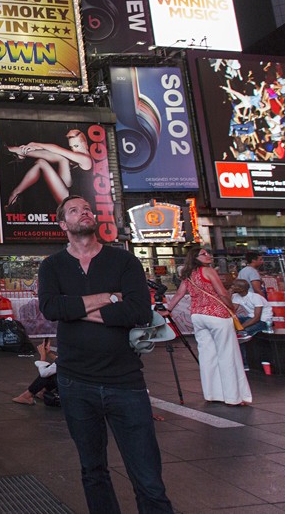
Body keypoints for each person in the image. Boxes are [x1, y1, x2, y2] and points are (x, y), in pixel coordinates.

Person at [38, 196, 173, 514]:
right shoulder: (52, 266)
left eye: (87, 208)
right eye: (74, 210)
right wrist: (109, 298)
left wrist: (76, 308)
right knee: (93, 471)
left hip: (125, 381)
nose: (84, 212)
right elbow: (52, 308)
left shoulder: (124, 261)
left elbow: (138, 312)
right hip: (75, 382)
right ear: (63, 225)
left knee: (148, 478)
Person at [163, 247, 251, 405]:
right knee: (227, 354)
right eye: (203, 254)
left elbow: (179, 294)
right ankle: (233, 397)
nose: (208, 255)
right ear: (195, 257)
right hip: (217, 314)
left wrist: (168, 310)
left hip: (198, 315)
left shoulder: (188, 274)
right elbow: (222, 292)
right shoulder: (208, 271)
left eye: (208, 253)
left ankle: (212, 394)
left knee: (207, 355)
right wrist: (231, 307)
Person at [5, 129, 93, 208]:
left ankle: (15, 193)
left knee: (42, 162)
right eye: (72, 147)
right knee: (62, 158)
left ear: (85, 144)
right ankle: (20, 152)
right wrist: (38, 147)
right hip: (69, 190)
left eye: (76, 146)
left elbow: (58, 150)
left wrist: (36, 144)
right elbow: (55, 153)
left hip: (70, 200)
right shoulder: (80, 158)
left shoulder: (86, 160)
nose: (74, 150)